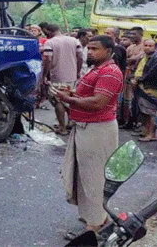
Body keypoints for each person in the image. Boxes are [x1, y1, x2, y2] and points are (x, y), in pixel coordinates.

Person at [55, 35, 123, 236]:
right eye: (89, 48)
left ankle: (96, 225)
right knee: (84, 176)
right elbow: (90, 97)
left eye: (95, 49)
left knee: (94, 178)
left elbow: (98, 103)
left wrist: (68, 99)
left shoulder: (110, 72)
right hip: (86, 127)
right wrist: (74, 95)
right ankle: (92, 218)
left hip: (97, 129)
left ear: (108, 51)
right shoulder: (98, 70)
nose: (90, 52)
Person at [41, 24, 83, 135]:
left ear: (48, 31)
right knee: (69, 100)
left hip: (57, 76)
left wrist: (44, 75)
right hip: (72, 77)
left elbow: (47, 60)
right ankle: (72, 123)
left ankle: (62, 127)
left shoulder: (50, 42)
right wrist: (77, 71)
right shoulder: (74, 40)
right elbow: (80, 57)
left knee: (58, 101)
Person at [132, 39, 157, 142]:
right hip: (142, 86)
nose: (147, 47)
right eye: (146, 45)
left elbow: (151, 73)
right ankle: (146, 131)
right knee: (144, 111)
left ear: (155, 47)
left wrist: (138, 79)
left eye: (150, 46)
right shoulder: (144, 57)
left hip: (151, 87)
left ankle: (152, 134)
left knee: (151, 112)